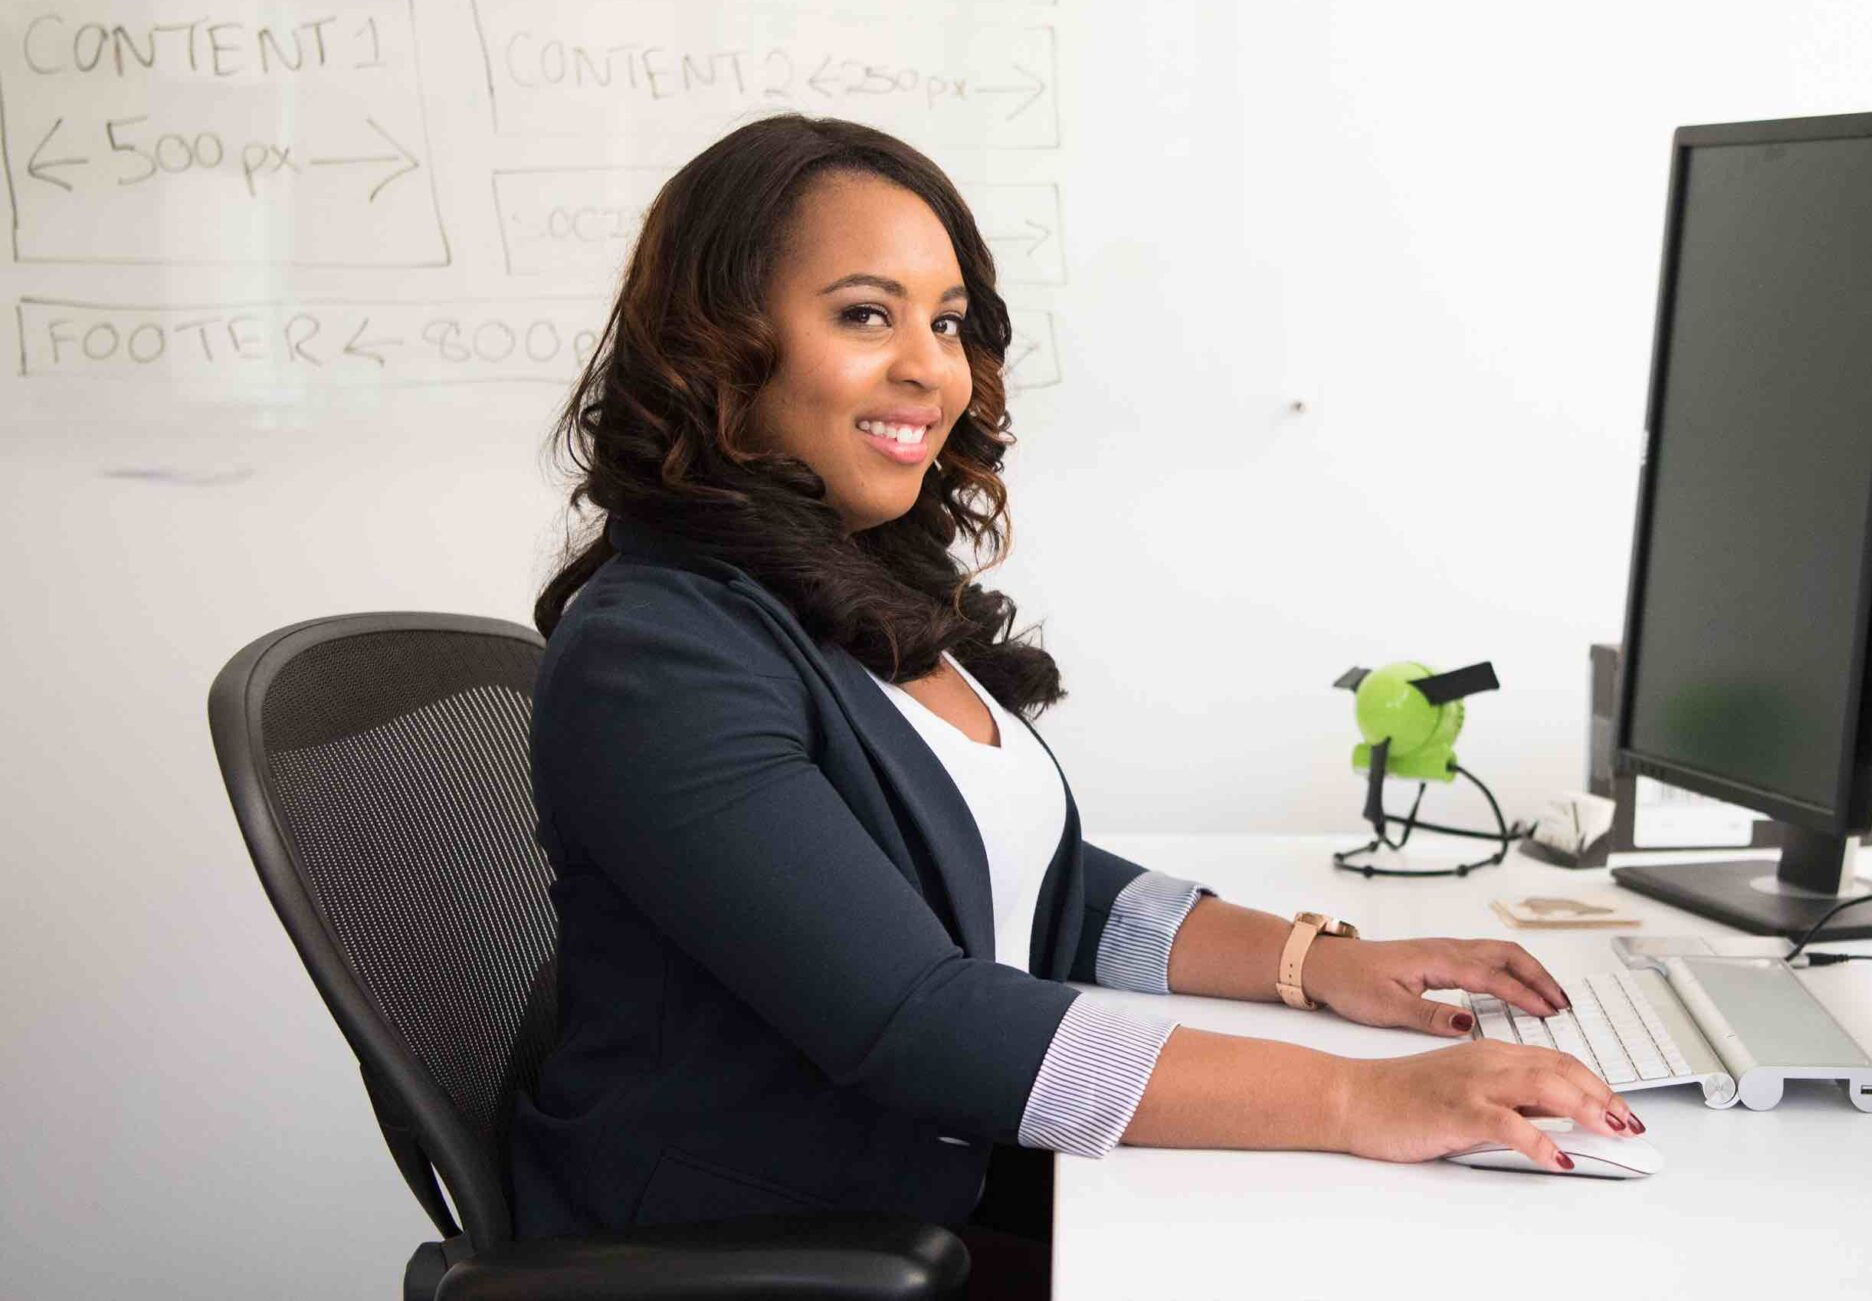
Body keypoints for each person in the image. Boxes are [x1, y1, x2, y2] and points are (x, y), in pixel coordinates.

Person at [512, 114, 1635, 1295]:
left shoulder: (850, 589)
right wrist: (1360, 1094)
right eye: (864, 313)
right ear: (718, 346)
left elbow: (1046, 888)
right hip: (758, 1249)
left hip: (916, 1195)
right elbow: (915, 1017)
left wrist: (1318, 963)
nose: (927, 365)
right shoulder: (661, 655)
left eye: (945, 321)